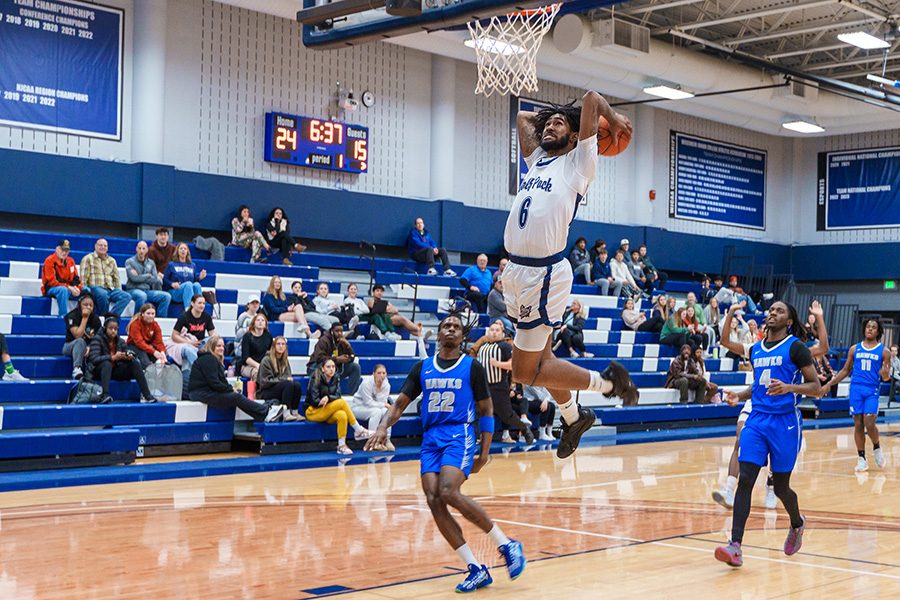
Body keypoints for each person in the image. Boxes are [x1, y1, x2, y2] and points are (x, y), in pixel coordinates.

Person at [501, 92, 637, 459]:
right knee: (543, 363)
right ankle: (573, 416)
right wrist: (556, 115)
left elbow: (592, 98)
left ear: (577, 137)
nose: (549, 125)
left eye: (559, 124)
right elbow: (524, 118)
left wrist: (611, 117)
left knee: (523, 372)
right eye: (549, 123)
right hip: (515, 271)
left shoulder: (579, 164)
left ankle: (608, 384)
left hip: (542, 274)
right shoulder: (539, 161)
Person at [364, 311, 526, 592]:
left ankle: (506, 544)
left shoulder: (472, 367)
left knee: (449, 490)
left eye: (456, 327)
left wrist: (484, 452)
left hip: (459, 433)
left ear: (463, 337)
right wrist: (382, 428)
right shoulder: (422, 367)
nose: (451, 329)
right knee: (433, 497)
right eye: (446, 326)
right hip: (431, 438)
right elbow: (400, 404)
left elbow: (487, 409)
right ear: (438, 334)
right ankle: (476, 568)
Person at [714, 301, 822, 568]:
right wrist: (738, 395)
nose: (772, 312)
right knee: (747, 479)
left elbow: (816, 388)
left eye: (780, 311)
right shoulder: (757, 349)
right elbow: (759, 383)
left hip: (785, 423)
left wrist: (789, 387)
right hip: (758, 420)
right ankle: (735, 545)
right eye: (771, 310)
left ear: (788, 321)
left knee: (782, 487)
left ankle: (797, 523)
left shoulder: (795, 347)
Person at [820, 318, 890, 472]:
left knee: (869, 422)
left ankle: (877, 448)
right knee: (858, 424)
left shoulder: (884, 351)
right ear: (864, 329)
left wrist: (885, 375)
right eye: (868, 327)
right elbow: (845, 371)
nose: (870, 329)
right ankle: (861, 458)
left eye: (873, 327)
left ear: (878, 331)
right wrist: (829, 384)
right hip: (856, 389)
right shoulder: (854, 349)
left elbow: (886, 377)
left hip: (872, 390)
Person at [188, 335, 284, 423]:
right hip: (200, 393)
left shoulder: (214, 360)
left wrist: (230, 389)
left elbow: (221, 382)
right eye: (218, 346)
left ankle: (263, 415)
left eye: (222, 346)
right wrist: (230, 389)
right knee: (236, 397)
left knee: (235, 396)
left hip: (207, 391)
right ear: (211, 347)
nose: (222, 348)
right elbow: (214, 383)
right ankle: (266, 412)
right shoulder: (209, 359)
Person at [478, 321, 534, 444]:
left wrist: (497, 364)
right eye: (492, 330)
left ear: (502, 333)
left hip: (499, 386)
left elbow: (513, 365)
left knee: (506, 415)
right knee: (480, 412)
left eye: (497, 330)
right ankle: (480, 437)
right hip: (484, 386)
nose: (493, 332)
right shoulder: (482, 346)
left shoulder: (505, 346)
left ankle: (524, 429)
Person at [305, 358, 371, 454]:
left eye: (333, 367)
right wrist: (329, 399)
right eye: (328, 367)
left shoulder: (335, 378)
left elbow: (337, 395)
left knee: (342, 414)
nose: (331, 369)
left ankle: (341, 445)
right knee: (342, 403)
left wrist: (328, 397)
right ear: (322, 369)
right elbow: (315, 402)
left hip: (327, 411)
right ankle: (358, 429)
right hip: (313, 412)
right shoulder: (316, 378)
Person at [87, 315, 155, 404]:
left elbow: (126, 351)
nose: (113, 331)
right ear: (105, 328)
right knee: (106, 363)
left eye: (115, 329)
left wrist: (128, 356)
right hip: (99, 371)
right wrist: (112, 357)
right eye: (110, 328)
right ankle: (104, 395)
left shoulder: (120, 341)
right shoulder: (97, 339)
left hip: (115, 370)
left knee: (134, 362)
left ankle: (147, 395)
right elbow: (94, 358)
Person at [168, 294, 216, 394]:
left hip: (200, 343)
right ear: (192, 303)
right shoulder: (184, 316)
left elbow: (212, 334)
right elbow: (174, 335)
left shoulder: (206, 316)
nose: (202, 305)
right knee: (188, 350)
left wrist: (216, 340)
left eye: (203, 303)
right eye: (199, 303)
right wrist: (190, 342)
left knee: (214, 340)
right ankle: (202, 372)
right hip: (187, 342)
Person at [80, 238, 131, 318]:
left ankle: (111, 316)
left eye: (105, 246)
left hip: (110, 289)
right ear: (95, 246)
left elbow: (116, 278)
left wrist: (118, 290)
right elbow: (83, 278)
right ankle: (103, 317)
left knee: (126, 296)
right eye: (100, 245)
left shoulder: (112, 260)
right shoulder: (88, 258)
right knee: (103, 294)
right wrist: (86, 292)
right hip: (95, 288)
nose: (103, 247)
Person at [257, 336, 305, 422]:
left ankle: (294, 412)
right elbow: (265, 381)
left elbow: (288, 377)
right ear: (274, 346)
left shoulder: (285, 361)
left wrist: (285, 380)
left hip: (280, 388)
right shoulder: (266, 360)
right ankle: (285, 414)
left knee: (296, 385)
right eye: (278, 344)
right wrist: (282, 380)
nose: (281, 346)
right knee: (288, 384)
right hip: (265, 390)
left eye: (283, 344)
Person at [349, 364, 394, 451]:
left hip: (374, 408)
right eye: (379, 373)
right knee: (376, 411)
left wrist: (379, 388)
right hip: (359, 407)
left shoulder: (386, 385)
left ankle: (387, 440)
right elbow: (368, 403)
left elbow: (383, 402)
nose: (381, 376)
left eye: (383, 373)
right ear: (373, 374)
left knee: (385, 411)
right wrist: (383, 405)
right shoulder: (366, 383)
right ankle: (372, 442)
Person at [309, 323, 361, 395]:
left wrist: (348, 346)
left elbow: (352, 357)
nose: (339, 333)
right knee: (329, 367)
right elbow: (319, 358)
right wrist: (336, 359)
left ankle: (354, 394)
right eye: (337, 331)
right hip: (317, 367)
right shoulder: (324, 340)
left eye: (341, 331)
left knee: (355, 367)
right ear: (332, 331)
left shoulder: (342, 342)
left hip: (335, 368)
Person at [367, 284, 432, 342]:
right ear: (373, 292)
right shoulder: (371, 301)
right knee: (402, 318)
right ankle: (420, 329)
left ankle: (421, 335)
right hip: (382, 319)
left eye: (381, 291)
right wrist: (386, 309)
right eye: (377, 291)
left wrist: (385, 309)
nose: (379, 293)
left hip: (389, 316)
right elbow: (378, 309)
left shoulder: (385, 302)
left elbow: (395, 310)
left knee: (405, 326)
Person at [125, 241, 171, 318]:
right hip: (133, 289)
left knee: (166, 296)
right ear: (136, 249)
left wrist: (140, 276)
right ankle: (137, 319)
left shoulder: (151, 263)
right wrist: (148, 276)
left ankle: (161, 320)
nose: (141, 251)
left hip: (147, 290)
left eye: (143, 248)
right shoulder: (129, 262)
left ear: (147, 250)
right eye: (139, 248)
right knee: (142, 296)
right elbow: (133, 278)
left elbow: (155, 279)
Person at [63, 294, 102, 379]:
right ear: (80, 305)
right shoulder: (72, 316)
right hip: (70, 345)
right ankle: (77, 369)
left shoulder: (96, 320)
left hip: (87, 347)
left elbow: (96, 338)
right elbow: (77, 335)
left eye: (91, 305)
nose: (88, 307)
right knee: (80, 341)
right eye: (85, 305)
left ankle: (93, 373)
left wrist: (90, 346)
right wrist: (85, 318)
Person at [163, 243, 207, 313]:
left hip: (189, 290)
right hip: (175, 291)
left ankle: (200, 310)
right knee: (188, 284)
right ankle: (189, 311)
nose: (183, 250)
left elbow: (194, 281)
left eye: (185, 249)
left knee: (197, 285)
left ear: (187, 252)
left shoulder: (192, 265)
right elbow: (165, 280)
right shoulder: (171, 264)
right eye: (181, 248)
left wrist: (200, 278)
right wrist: (172, 284)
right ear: (177, 251)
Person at [42, 239, 82, 314]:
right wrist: (69, 287)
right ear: (57, 249)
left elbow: (76, 278)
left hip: (68, 288)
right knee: (63, 290)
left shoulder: (71, 261)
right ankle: (63, 316)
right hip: (52, 288)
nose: (64, 253)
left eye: (66, 251)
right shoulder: (49, 261)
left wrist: (77, 288)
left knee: (86, 290)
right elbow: (52, 282)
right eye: (62, 250)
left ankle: (82, 315)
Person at [126, 303, 168, 369]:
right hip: (134, 346)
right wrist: (154, 352)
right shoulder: (135, 324)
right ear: (143, 314)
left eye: (152, 314)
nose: (151, 316)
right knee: (146, 364)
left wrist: (162, 351)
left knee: (163, 361)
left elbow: (159, 342)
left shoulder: (155, 325)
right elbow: (139, 342)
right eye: (148, 313)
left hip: (148, 345)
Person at [234, 313, 273, 381]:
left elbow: (271, 352)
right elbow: (245, 357)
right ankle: (258, 391)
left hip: (263, 365)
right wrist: (258, 365)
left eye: (262, 320)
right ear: (254, 323)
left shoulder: (268, 336)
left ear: (265, 324)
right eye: (258, 320)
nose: (260, 322)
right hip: (247, 366)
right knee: (258, 373)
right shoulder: (247, 336)